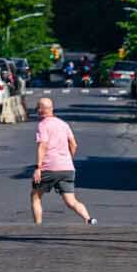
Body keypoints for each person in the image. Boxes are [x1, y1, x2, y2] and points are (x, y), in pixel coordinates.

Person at [31, 96, 95, 225]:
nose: (37, 110)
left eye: (38, 107)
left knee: (35, 196)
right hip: (67, 167)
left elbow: (42, 145)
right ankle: (88, 219)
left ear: (41, 110)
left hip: (49, 167)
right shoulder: (63, 124)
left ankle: (37, 226)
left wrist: (38, 168)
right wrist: (68, 158)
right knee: (71, 201)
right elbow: (74, 144)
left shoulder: (42, 125)